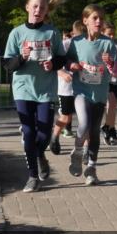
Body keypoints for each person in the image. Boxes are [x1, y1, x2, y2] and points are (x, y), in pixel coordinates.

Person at [3, 0, 67, 193]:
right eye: (35, 6)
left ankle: (40, 154)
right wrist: (21, 57)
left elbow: (61, 58)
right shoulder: (16, 33)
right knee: (29, 132)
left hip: (45, 91)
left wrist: (52, 64)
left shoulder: (52, 33)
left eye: (42, 7)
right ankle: (32, 176)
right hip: (23, 89)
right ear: (27, 7)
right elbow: (8, 65)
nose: (38, 10)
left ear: (47, 10)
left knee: (45, 132)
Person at [65, 5, 117, 186]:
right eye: (95, 18)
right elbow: (68, 60)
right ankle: (78, 150)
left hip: (100, 93)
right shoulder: (77, 41)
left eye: (101, 19)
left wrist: (110, 62)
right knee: (84, 123)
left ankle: (91, 169)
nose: (99, 22)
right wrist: (72, 65)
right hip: (81, 91)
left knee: (94, 132)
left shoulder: (108, 43)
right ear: (85, 20)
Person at [48, 21, 83, 156]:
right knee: (66, 117)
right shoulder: (67, 43)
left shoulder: (89, 45)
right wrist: (61, 72)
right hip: (66, 88)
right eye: (80, 35)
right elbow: (54, 61)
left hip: (82, 87)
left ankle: (84, 149)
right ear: (74, 34)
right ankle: (54, 137)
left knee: (84, 118)